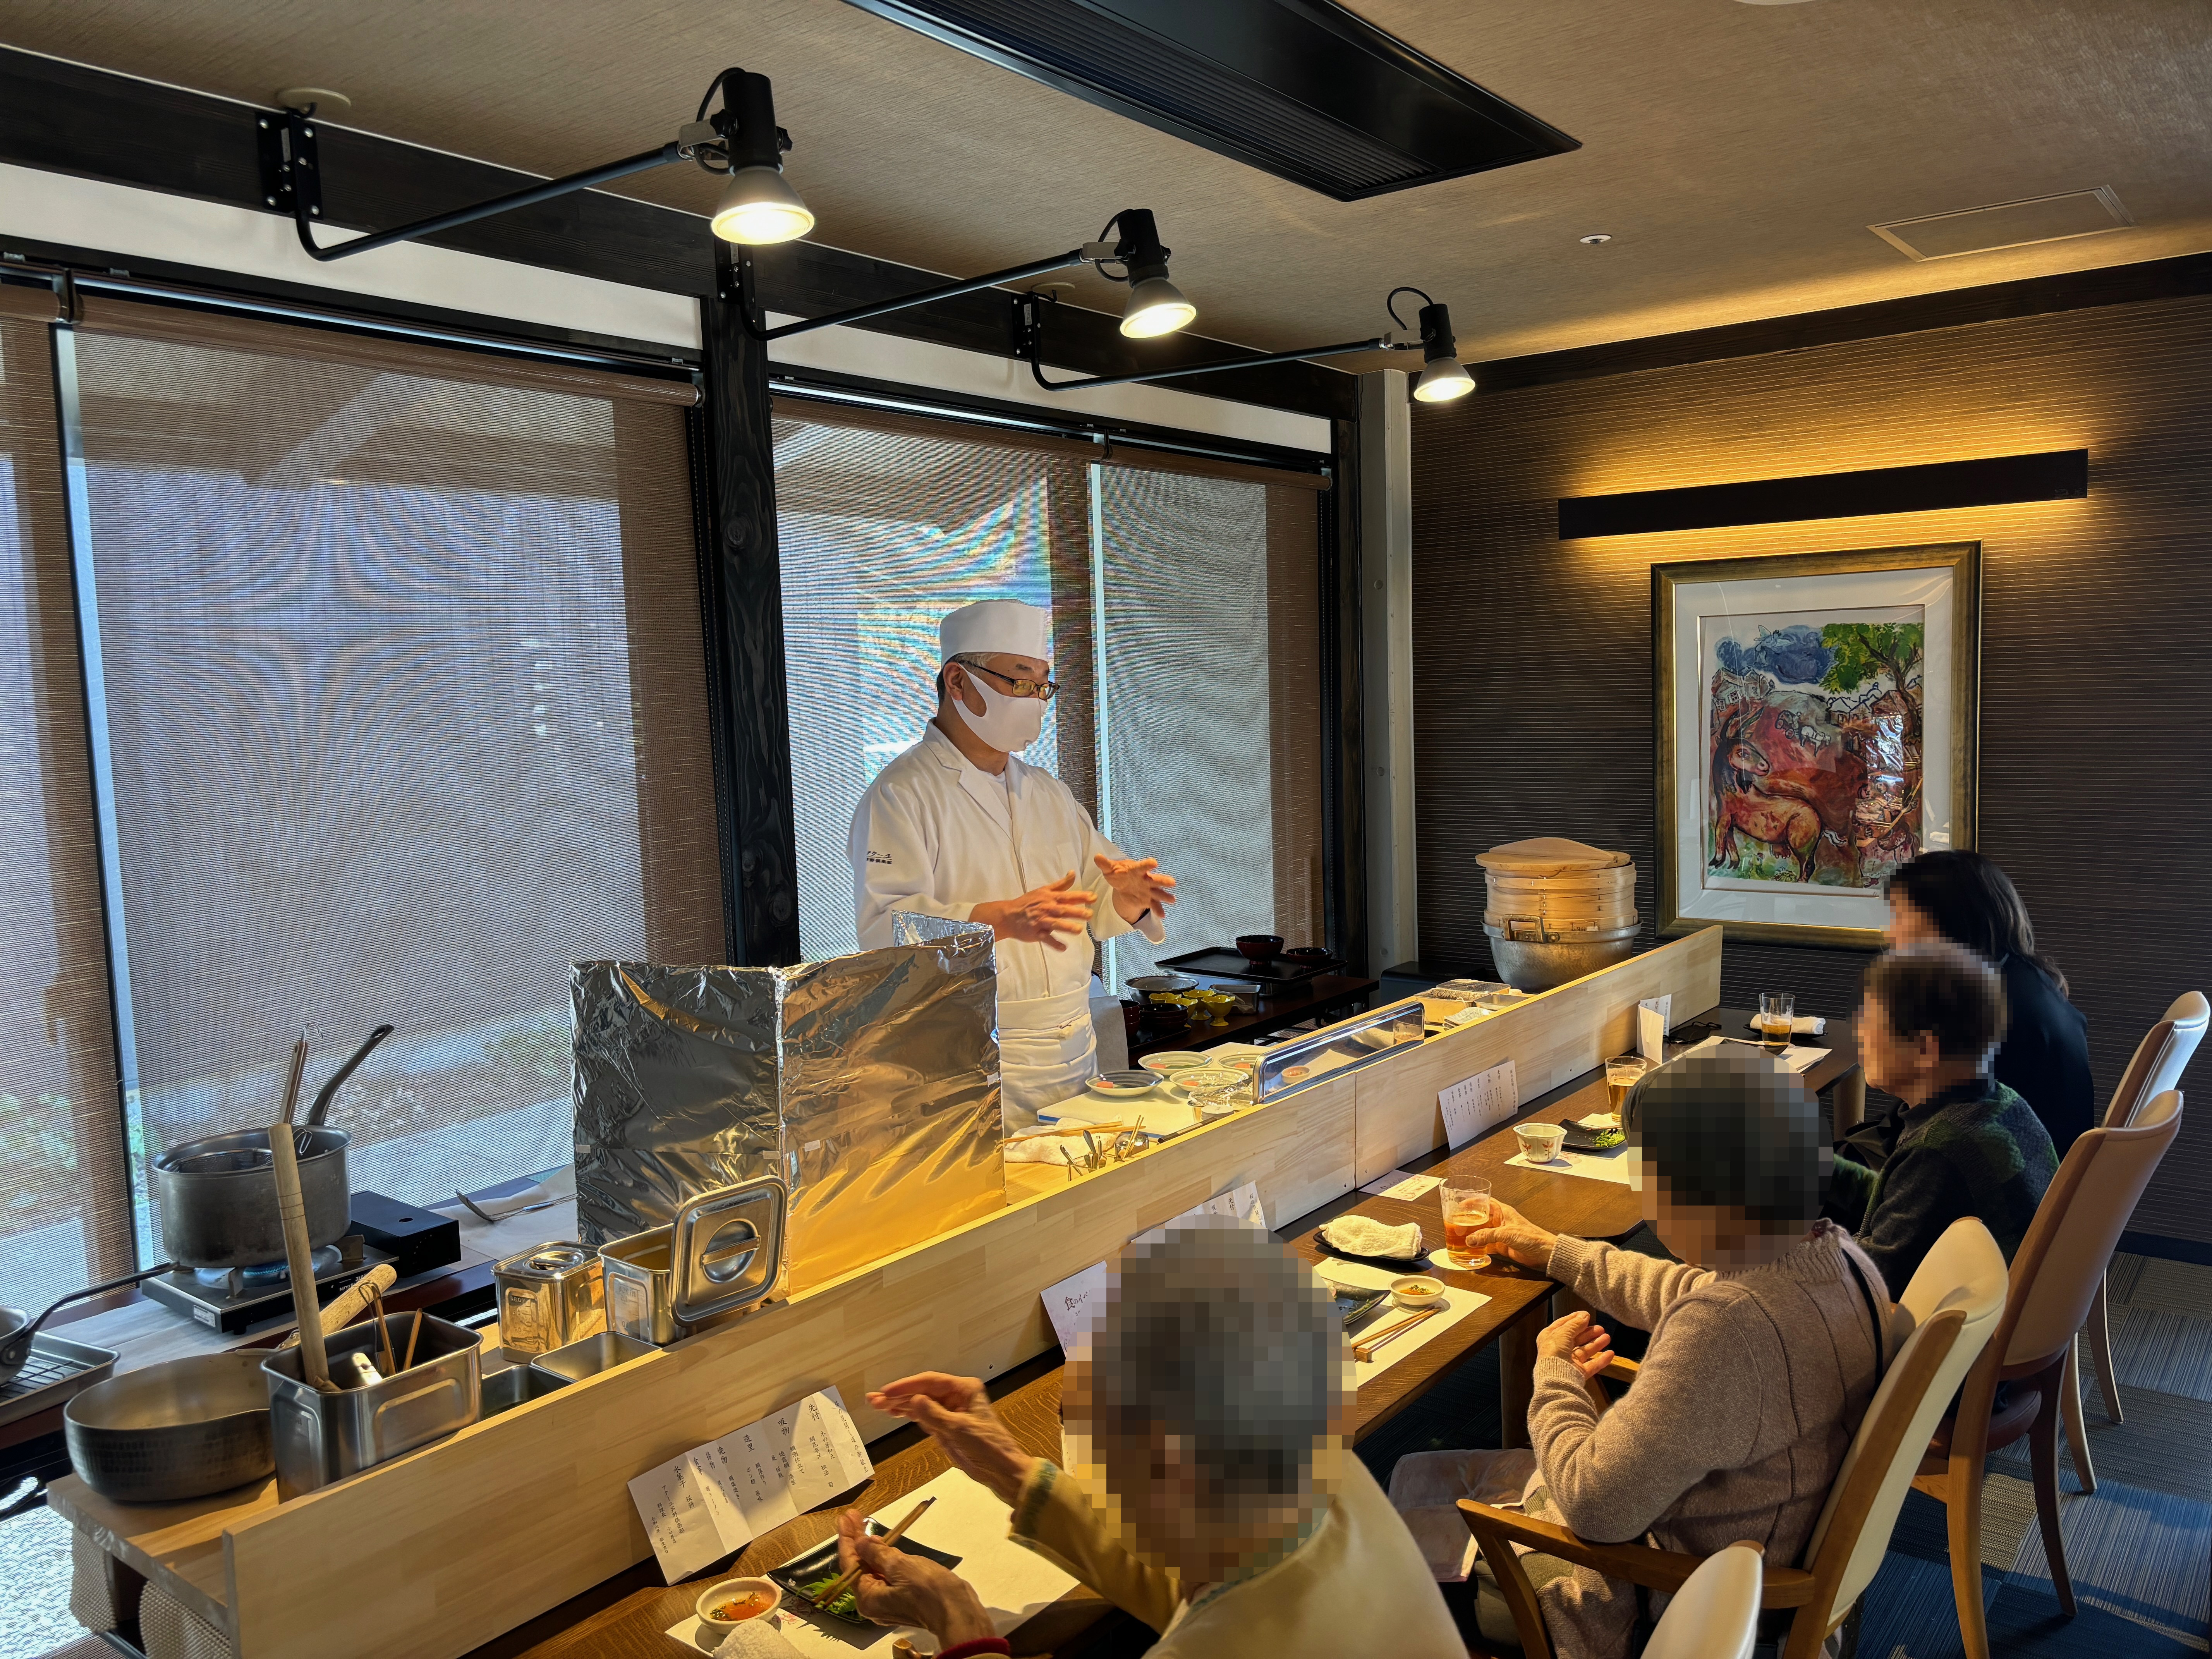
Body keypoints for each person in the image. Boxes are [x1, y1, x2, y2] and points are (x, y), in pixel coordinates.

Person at [1388, 1052, 1891, 1659]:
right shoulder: (1838, 1262)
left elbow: (1593, 1506)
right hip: (1747, 1550)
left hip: (1656, 1602)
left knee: (1384, 1546)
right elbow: (1682, 1290)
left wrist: (1553, 1373)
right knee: (1416, 1474)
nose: (1645, 1201)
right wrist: (1554, 1251)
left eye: (1649, 1177)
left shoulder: (1728, 1332)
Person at [830, 1213, 1464, 1659]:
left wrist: (960, 1624)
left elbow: (1210, 1617)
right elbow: (1200, 1587)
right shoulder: (1323, 1484)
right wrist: (1008, 1467)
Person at [847, 599, 1177, 1126]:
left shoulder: (1048, 793)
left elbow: (1097, 891)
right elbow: (885, 934)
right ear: (957, 682)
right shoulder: (902, 794)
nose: (1036, 700)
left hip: (1074, 1046)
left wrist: (1130, 899)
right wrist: (996, 921)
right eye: (1020, 682)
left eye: (1044, 685)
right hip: (973, 1053)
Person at [1827, 940, 2057, 1297]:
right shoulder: (2003, 1104)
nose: (1858, 1034)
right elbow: (1900, 1202)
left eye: (1870, 1022)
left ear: (1925, 1050)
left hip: (1940, 1337)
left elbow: (1872, 1284)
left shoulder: (1939, 1152)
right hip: (1990, 1305)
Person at [1882, 849, 2093, 1156]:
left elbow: (1924, 1133)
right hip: (2034, 1171)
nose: (1890, 934)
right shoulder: (2030, 980)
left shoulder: (1985, 1012)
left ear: (1949, 922)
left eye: (1900, 916)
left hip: (1986, 1183)